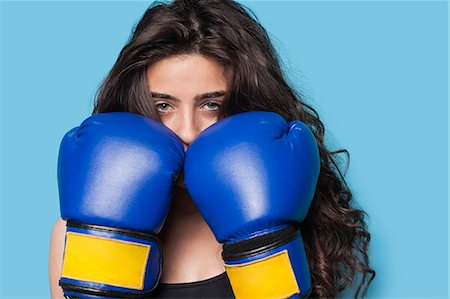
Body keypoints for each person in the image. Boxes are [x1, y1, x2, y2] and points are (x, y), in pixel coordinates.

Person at [49, 0, 375, 298]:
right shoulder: (79, 232)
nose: (187, 131)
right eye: (163, 104)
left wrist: (264, 245)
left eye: (210, 104)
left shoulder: (280, 214)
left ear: (244, 106)